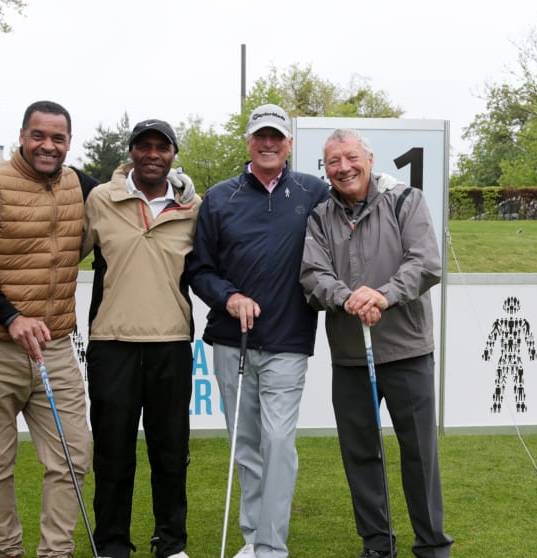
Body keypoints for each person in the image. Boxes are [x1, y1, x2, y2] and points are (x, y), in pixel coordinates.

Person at [299, 128, 454, 558]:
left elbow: (425, 262)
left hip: (407, 351)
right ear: (325, 169)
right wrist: (348, 298)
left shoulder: (406, 200)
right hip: (351, 356)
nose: (343, 167)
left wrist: (383, 294)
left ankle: (432, 546)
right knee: (361, 455)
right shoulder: (320, 216)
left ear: (368, 158)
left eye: (350, 157)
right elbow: (313, 276)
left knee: (419, 455)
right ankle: (377, 545)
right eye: (333, 161)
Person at [0, 100, 93, 558]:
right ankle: (6, 551)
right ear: (22, 135)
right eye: (39, 135)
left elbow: (128, 194)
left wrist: (179, 188)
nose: (48, 146)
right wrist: (11, 316)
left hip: (53, 350)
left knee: (73, 458)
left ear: (69, 142)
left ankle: (56, 552)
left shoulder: (80, 186)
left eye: (58, 138)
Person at [187, 104, 329, 558]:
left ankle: (270, 548)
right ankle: (253, 538)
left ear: (289, 143)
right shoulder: (220, 197)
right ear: (248, 141)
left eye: (277, 137)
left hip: (288, 340)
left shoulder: (314, 192)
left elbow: (356, 210)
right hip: (233, 341)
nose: (268, 144)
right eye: (260, 136)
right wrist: (228, 296)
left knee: (278, 443)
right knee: (245, 446)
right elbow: (200, 268)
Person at [81, 119, 200, 558]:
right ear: (131, 151)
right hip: (112, 342)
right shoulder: (101, 199)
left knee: (171, 452)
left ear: (173, 154)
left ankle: (170, 543)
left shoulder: (193, 206)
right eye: (143, 146)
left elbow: (206, 269)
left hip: (171, 342)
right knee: (113, 452)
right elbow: (65, 251)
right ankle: (112, 543)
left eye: (161, 147)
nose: (153, 154)